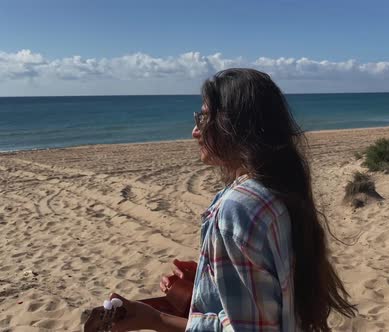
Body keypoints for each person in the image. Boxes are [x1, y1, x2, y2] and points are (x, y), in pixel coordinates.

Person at [109, 68, 356, 331]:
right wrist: (209, 283)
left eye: (203, 117)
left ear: (232, 125)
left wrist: (154, 319)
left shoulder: (238, 209)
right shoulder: (277, 190)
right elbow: (273, 295)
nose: (195, 131)